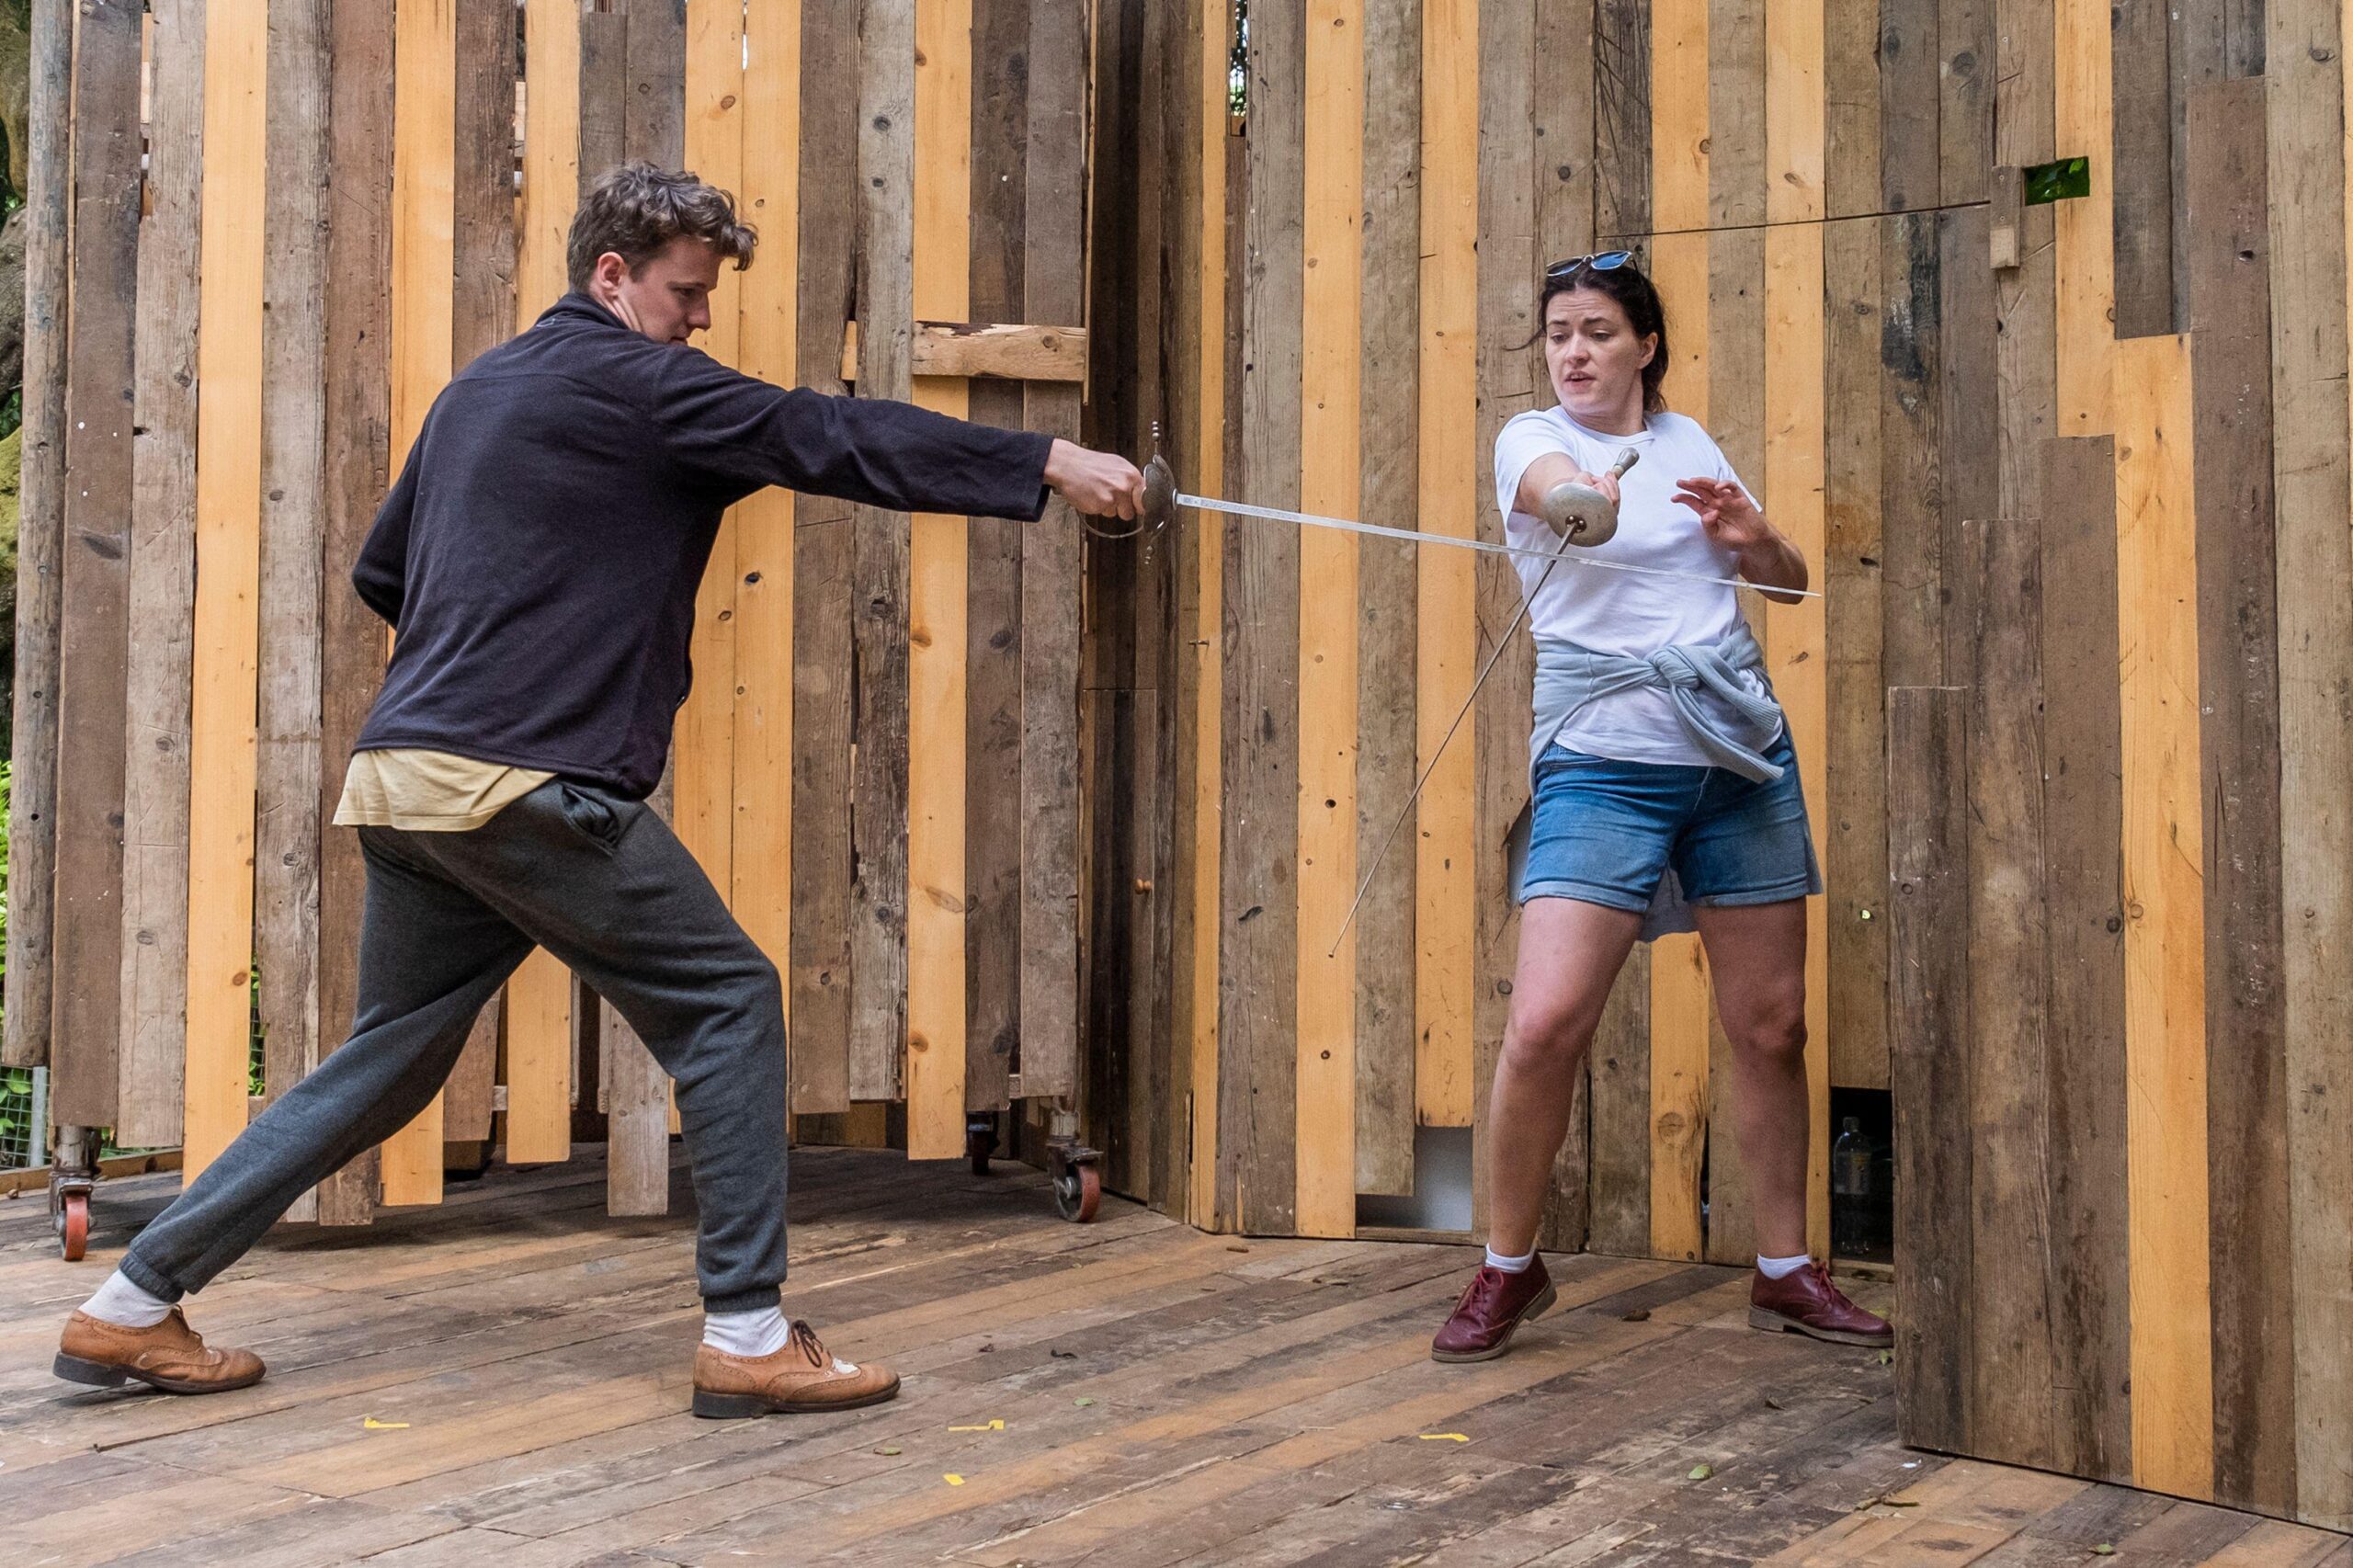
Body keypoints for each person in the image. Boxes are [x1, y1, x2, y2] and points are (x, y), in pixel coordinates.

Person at [52, 163, 1146, 1417]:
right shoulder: (647, 387)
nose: (699, 319)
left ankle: (128, 1308)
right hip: (524, 783)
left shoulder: (479, 393)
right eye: (685, 292)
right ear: (612, 275)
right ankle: (744, 1331)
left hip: (405, 775)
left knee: (388, 1060)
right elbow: (827, 434)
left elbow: (383, 571)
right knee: (730, 1003)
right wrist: (1048, 459)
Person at [1429, 251, 1889, 1362]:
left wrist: (1748, 538)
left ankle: (1783, 1269)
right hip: (1600, 764)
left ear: (1643, 345)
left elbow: (1778, 582)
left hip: (1737, 757)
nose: (1574, 352)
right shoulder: (1531, 441)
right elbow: (1560, 500)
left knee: (1770, 1027)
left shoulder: (1689, 443)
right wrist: (1588, 500)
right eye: (1558, 335)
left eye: (1595, 331)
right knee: (1544, 1023)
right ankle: (1508, 1265)